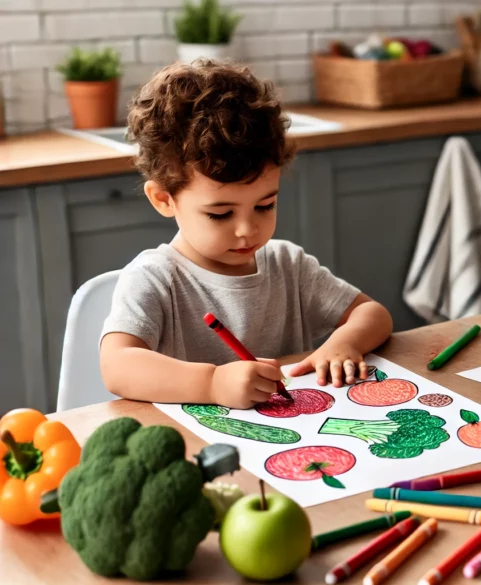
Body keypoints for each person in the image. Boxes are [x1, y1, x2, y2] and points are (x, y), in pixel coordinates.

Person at [99, 61, 393, 408]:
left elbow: (374, 315)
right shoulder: (155, 278)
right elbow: (116, 367)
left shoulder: (288, 265)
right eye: (220, 213)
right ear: (164, 199)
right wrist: (212, 384)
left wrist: (343, 343)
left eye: (265, 205)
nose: (248, 229)